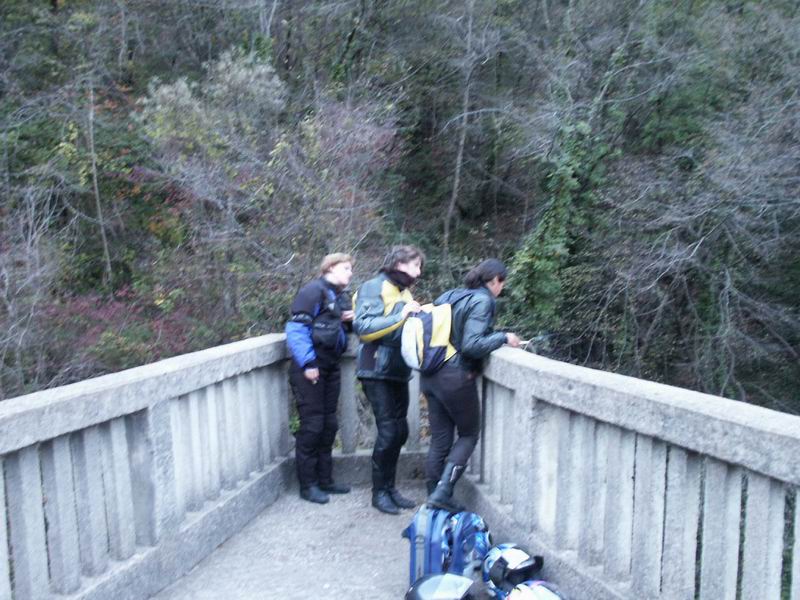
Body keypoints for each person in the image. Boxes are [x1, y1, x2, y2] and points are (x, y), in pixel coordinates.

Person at [423, 259, 521, 511]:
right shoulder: (482, 301)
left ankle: (433, 498)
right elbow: (471, 344)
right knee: (468, 435)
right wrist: (503, 337)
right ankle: (443, 493)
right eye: (502, 283)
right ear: (495, 280)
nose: (501, 288)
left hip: (431, 374)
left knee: (440, 440)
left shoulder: (451, 295)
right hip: (455, 376)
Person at [353, 245, 424, 514]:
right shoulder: (374, 287)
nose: (419, 272)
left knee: (400, 430)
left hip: (398, 369)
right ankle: (379, 493)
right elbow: (364, 328)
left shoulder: (404, 291)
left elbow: (404, 329)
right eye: (415, 265)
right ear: (399, 263)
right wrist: (402, 314)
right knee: (389, 431)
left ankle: (390, 488)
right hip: (375, 368)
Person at [285, 253, 355, 504]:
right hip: (310, 369)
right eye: (346, 268)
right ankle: (308, 485)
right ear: (330, 268)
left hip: (331, 367)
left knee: (329, 424)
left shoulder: (339, 296)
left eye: (350, 269)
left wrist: (347, 321)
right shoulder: (312, 291)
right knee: (312, 425)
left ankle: (325, 480)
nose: (350, 273)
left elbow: (333, 329)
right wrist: (308, 363)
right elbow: (296, 329)